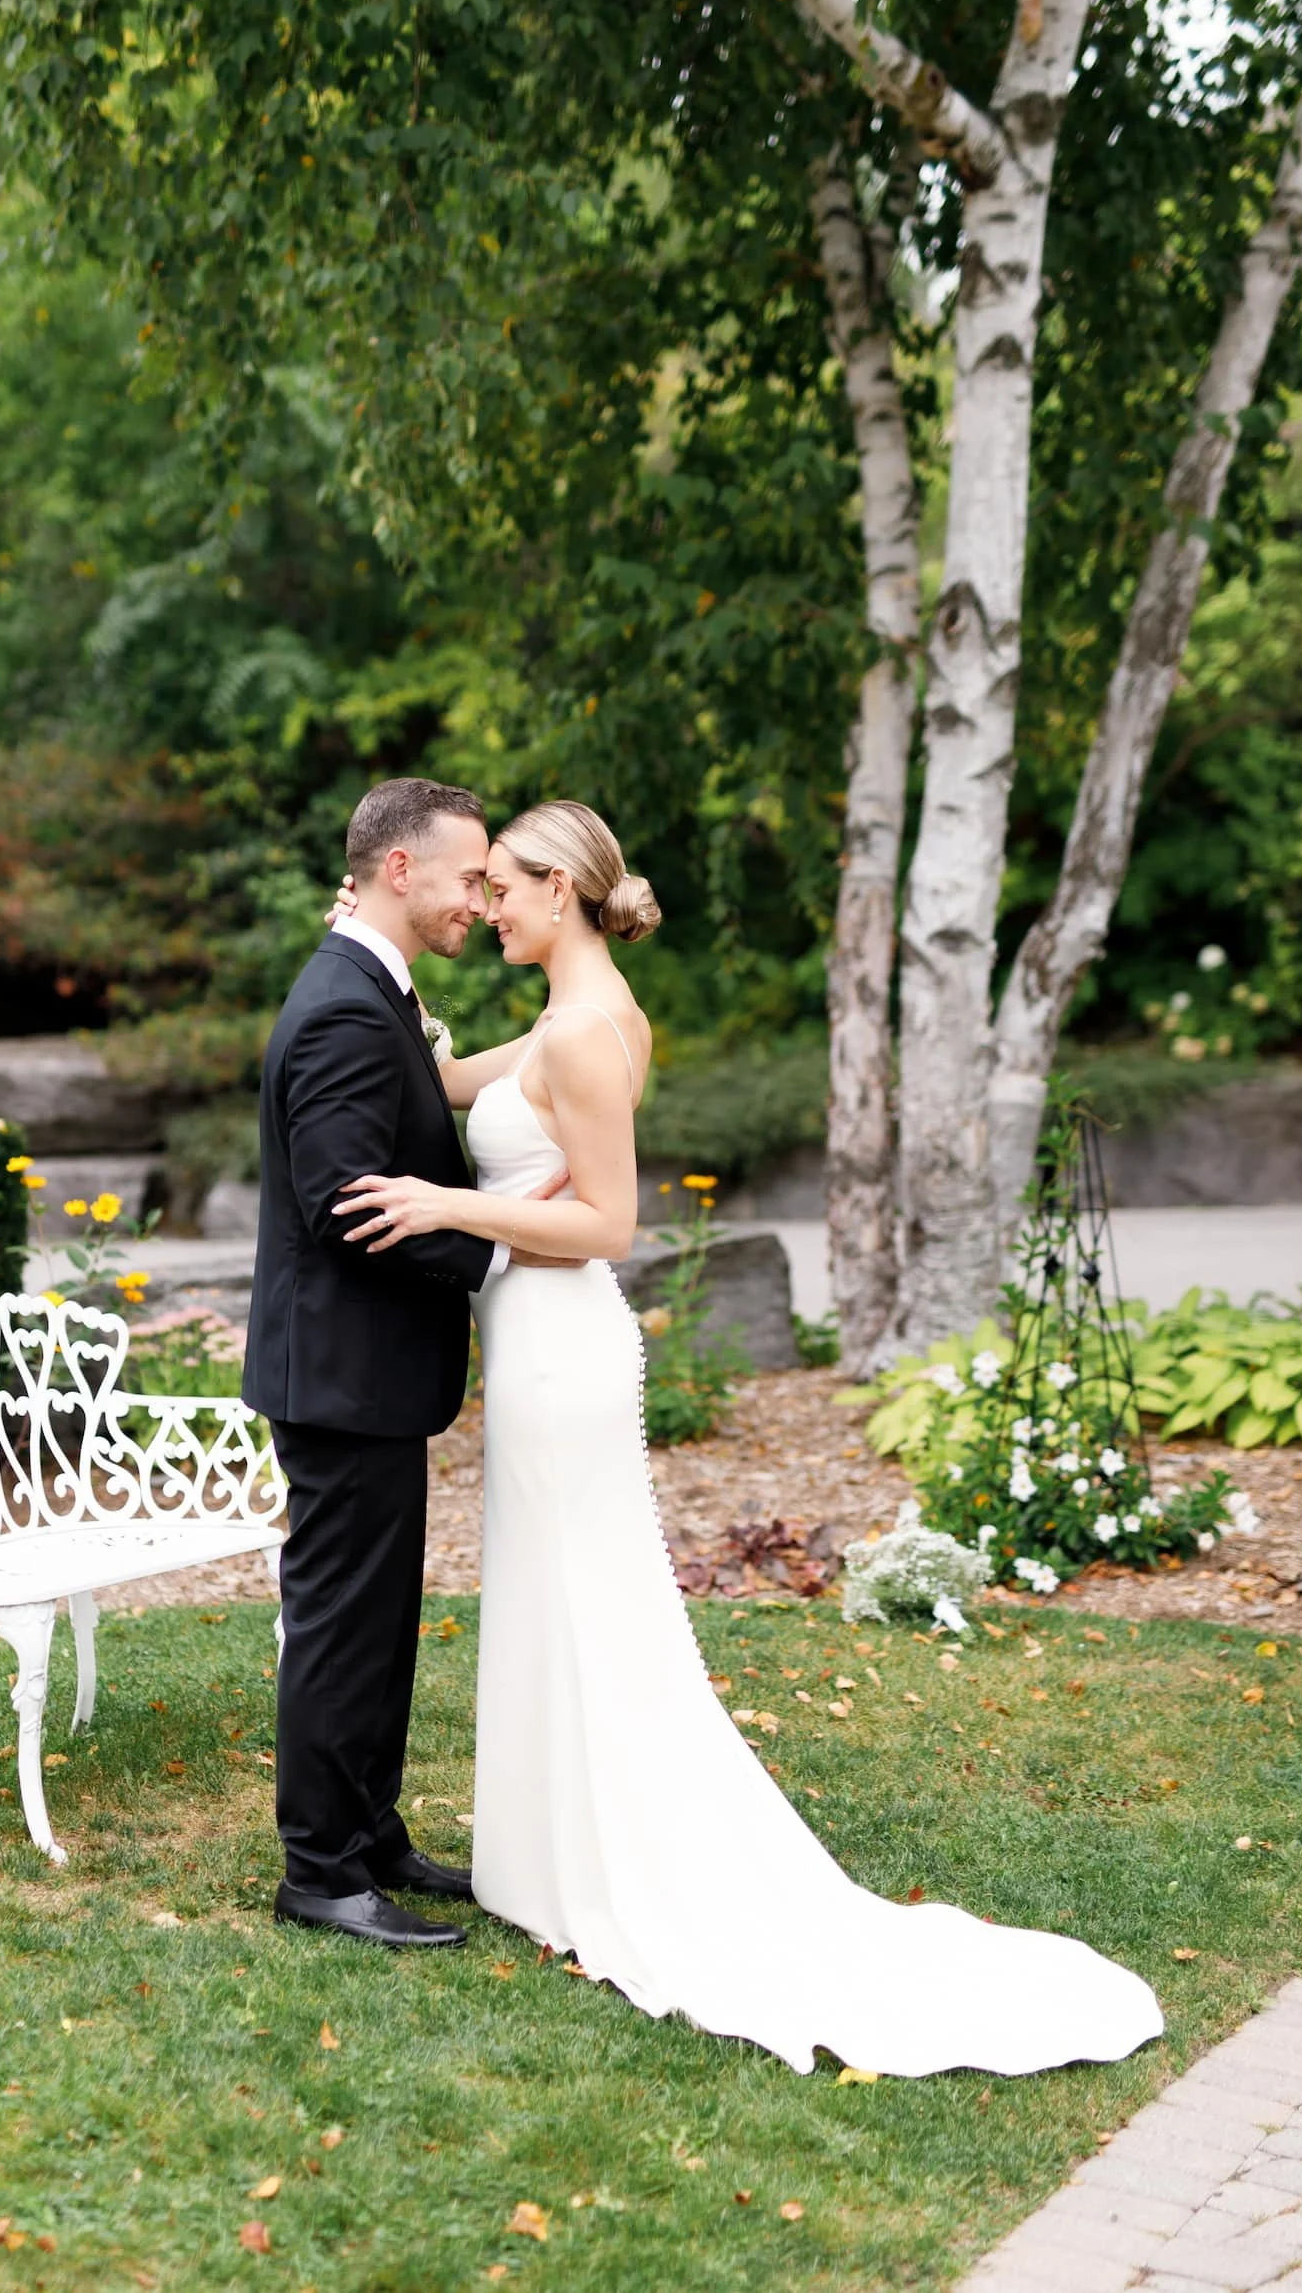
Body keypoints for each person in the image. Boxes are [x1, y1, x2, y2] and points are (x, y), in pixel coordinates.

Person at [328, 796, 1165, 2077]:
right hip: (533, 1337)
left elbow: (609, 1223)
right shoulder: (567, 1020)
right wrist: (368, 950)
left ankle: (618, 1859)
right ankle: (550, 1857)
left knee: (592, 1599)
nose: (486, 905)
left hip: (565, 1346)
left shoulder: (593, 1036)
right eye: (479, 886)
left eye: (503, 885)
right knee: (555, 1593)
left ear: (559, 890)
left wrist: (453, 1201)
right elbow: (444, 1080)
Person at [244, 776, 565, 1950]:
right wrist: (496, 1243)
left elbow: (402, 1131)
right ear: (398, 871)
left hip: (368, 1372)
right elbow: (342, 1205)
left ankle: (370, 1830)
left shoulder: (374, 987)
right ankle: (319, 1870)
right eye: (470, 878)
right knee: (339, 1619)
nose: (482, 899)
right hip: (340, 1371)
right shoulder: (340, 1005)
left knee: (379, 1617)